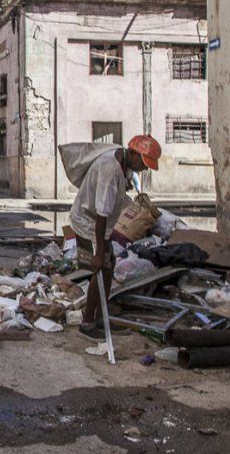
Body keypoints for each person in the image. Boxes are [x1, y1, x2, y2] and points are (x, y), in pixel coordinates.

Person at [65, 134, 161, 339]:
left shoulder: (121, 157)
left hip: (97, 223)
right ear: (134, 154)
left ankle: (101, 319)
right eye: (143, 164)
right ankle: (88, 324)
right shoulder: (111, 169)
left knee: (108, 267)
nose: (144, 169)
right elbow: (101, 214)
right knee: (101, 269)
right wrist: (99, 252)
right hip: (89, 222)